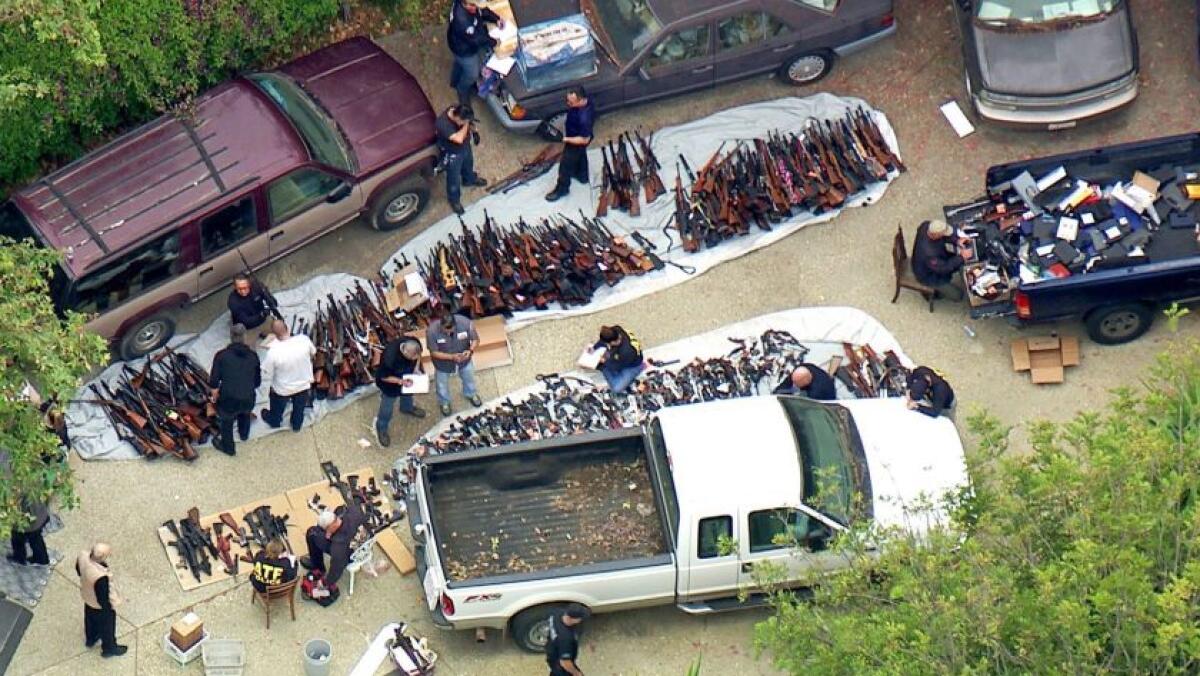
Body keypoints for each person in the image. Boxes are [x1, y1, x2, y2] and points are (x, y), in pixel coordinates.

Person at [209, 323, 261, 455]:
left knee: (227, 423)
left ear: (231, 337)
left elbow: (214, 381)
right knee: (245, 414)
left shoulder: (221, 356)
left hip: (228, 399)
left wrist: (214, 395)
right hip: (248, 397)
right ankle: (244, 434)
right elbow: (257, 382)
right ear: (244, 337)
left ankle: (229, 448)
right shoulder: (253, 356)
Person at [259, 319, 315, 432]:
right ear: (287, 328)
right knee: (299, 409)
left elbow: (266, 371)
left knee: (277, 410)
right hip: (303, 385)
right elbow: (313, 352)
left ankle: (275, 421)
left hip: (282, 390)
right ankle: (296, 425)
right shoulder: (304, 340)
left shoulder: (273, 352)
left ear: (274, 336)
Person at [545, 86, 596, 203]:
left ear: (581, 100)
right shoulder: (587, 101)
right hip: (575, 135)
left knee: (565, 166)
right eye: (568, 101)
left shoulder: (584, 118)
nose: (568, 104)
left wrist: (565, 139)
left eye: (571, 102)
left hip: (576, 141)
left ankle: (562, 189)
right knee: (581, 155)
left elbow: (584, 140)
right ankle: (582, 176)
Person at [446, 0, 503, 105]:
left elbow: (482, 11)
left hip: (457, 42)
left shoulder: (470, 5)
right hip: (464, 49)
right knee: (472, 73)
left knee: (459, 64)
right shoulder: (463, 21)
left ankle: (454, 81)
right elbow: (476, 39)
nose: (476, 8)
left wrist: (496, 19)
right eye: (473, 6)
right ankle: (462, 90)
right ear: (465, 4)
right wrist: (494, 42)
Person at [374, 337, 427, 448]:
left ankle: (407, 408)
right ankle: (382, 428)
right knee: (387, 407)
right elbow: (384, 377)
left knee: (408, 395)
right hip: (390, 384)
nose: (414, 359)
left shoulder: (413, 343)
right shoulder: (390, 358)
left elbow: (418, 356)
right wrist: (400, 381)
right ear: (405, 352)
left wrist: (416, 368)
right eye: (412, 357)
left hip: (406, 377)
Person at [427, 310, 482, 416]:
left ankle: (471, 394)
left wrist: (470, 351)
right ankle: (444, 402)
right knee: (441, 384)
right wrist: (452, 357)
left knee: (469, 378)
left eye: (450, 330)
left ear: (455, 325)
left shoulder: (466, 323)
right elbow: (434, 352)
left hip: (464, 360)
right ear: (441, 325)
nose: (448, 333)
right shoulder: (431, 331)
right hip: (442, 364)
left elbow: (476, 339)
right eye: (445, 330)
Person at [76, 543, 126, 657]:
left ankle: (91, 638)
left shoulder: (83, 556)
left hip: (87, 598)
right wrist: (109, 609)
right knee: (108, 627)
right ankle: (109, 648)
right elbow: (102, 598)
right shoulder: (100, 577)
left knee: (90, 619)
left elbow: (78, 570)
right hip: (99, 605)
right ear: (102, 557)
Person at [436, 104, 488, 215]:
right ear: (457, 118)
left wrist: (474, 132)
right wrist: (466, 124)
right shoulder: (442, 123)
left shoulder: (458, 109)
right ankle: (454, 200)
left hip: (465, 147)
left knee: (468, 165)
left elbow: (470, 123)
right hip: (452, 153)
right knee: (453, 179)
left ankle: (469, 180)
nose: (465, 124)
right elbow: (458, 139)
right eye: (463, 122)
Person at [302, 506, 365, 595]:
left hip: (349, 554)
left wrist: (325, 582)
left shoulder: (337, 548)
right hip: (364, 546)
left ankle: (318, 566)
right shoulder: (354, 512)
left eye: (326, 529)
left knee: (312, 533)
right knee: (339, 509)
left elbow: (336, 570)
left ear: (331, 526)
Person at [912, 219, 973, 301]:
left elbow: (944, 237)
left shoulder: (926, 225)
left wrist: (957, 241)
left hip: (938, 259)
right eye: (942, 234)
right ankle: (937, 294)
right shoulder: (929, 254)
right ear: (935, 235)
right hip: (929, 276)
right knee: (958, 296)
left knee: (958, 262)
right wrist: (961, 257)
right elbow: (943, 268)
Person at [591, 325, 644, 393]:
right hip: (623, 358)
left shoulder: (626, 351)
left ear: (612, 342)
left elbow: (617, 366)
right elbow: (602, 341)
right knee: (602, 361)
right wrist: (594, 348)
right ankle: (622, 379)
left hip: (633, 366)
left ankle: (603, 368)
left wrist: (604, 361)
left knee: (616, 389)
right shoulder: (616, 330)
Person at [545, 603, 590, 676]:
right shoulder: (566, 639)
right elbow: (565, 662)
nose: (581, 621)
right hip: (560, 665)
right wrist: (577, 674)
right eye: (580, 619)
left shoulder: (556, 613)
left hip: (551, 651)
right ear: (573, 619)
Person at [8, 497, 50, 566]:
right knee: (36, 539)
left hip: (27, 521)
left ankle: (19, 558)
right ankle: (41, 560)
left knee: (17, 538)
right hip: (39, 514)